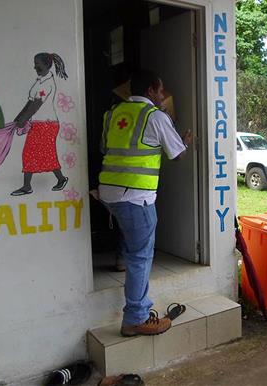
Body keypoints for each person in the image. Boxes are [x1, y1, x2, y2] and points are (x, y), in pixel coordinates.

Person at [98, 69, 192, 336]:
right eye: (161, 91)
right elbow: (177, 155)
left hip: (108, 193)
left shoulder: (112, 113)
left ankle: (120, 257)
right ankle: (136, 318)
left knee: (130, 238)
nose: (163, 95)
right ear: (151, 90)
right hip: (136, 196)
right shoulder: (156, 116)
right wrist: (184, 141)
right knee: (141, 256)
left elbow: (106, 148)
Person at [11, 53, 69, 196]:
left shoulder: (47, 83)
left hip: (47, 124)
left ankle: (29, 186)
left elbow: (36, 105)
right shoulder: (40, 80)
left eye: (38, 64)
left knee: (39, 153)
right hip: (39, 124)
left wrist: (23, 120)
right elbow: (30, 102)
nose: (35, 66)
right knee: (33, 153)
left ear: (47, 65)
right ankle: (56, 180)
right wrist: (18, 118)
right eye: (35, 63)